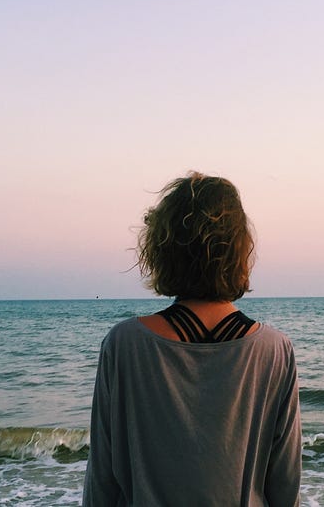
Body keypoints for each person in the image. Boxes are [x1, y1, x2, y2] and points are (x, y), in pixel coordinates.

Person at [83, 172, 302, 507]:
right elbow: (285, 487)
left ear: (163, 248)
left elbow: (102, 483)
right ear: (239, 249)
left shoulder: (125, 345)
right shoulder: (274, 351)